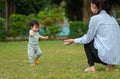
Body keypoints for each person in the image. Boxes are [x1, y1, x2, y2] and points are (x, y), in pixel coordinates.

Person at [64, 0, 120, 72]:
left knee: (88, 41)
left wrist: (74, 40)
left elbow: (88, 38)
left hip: (103, 57)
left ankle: (91, 67)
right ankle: (110, 65)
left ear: (93, 6)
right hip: (115, 58)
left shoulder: (95, 18)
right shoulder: (113, 19)